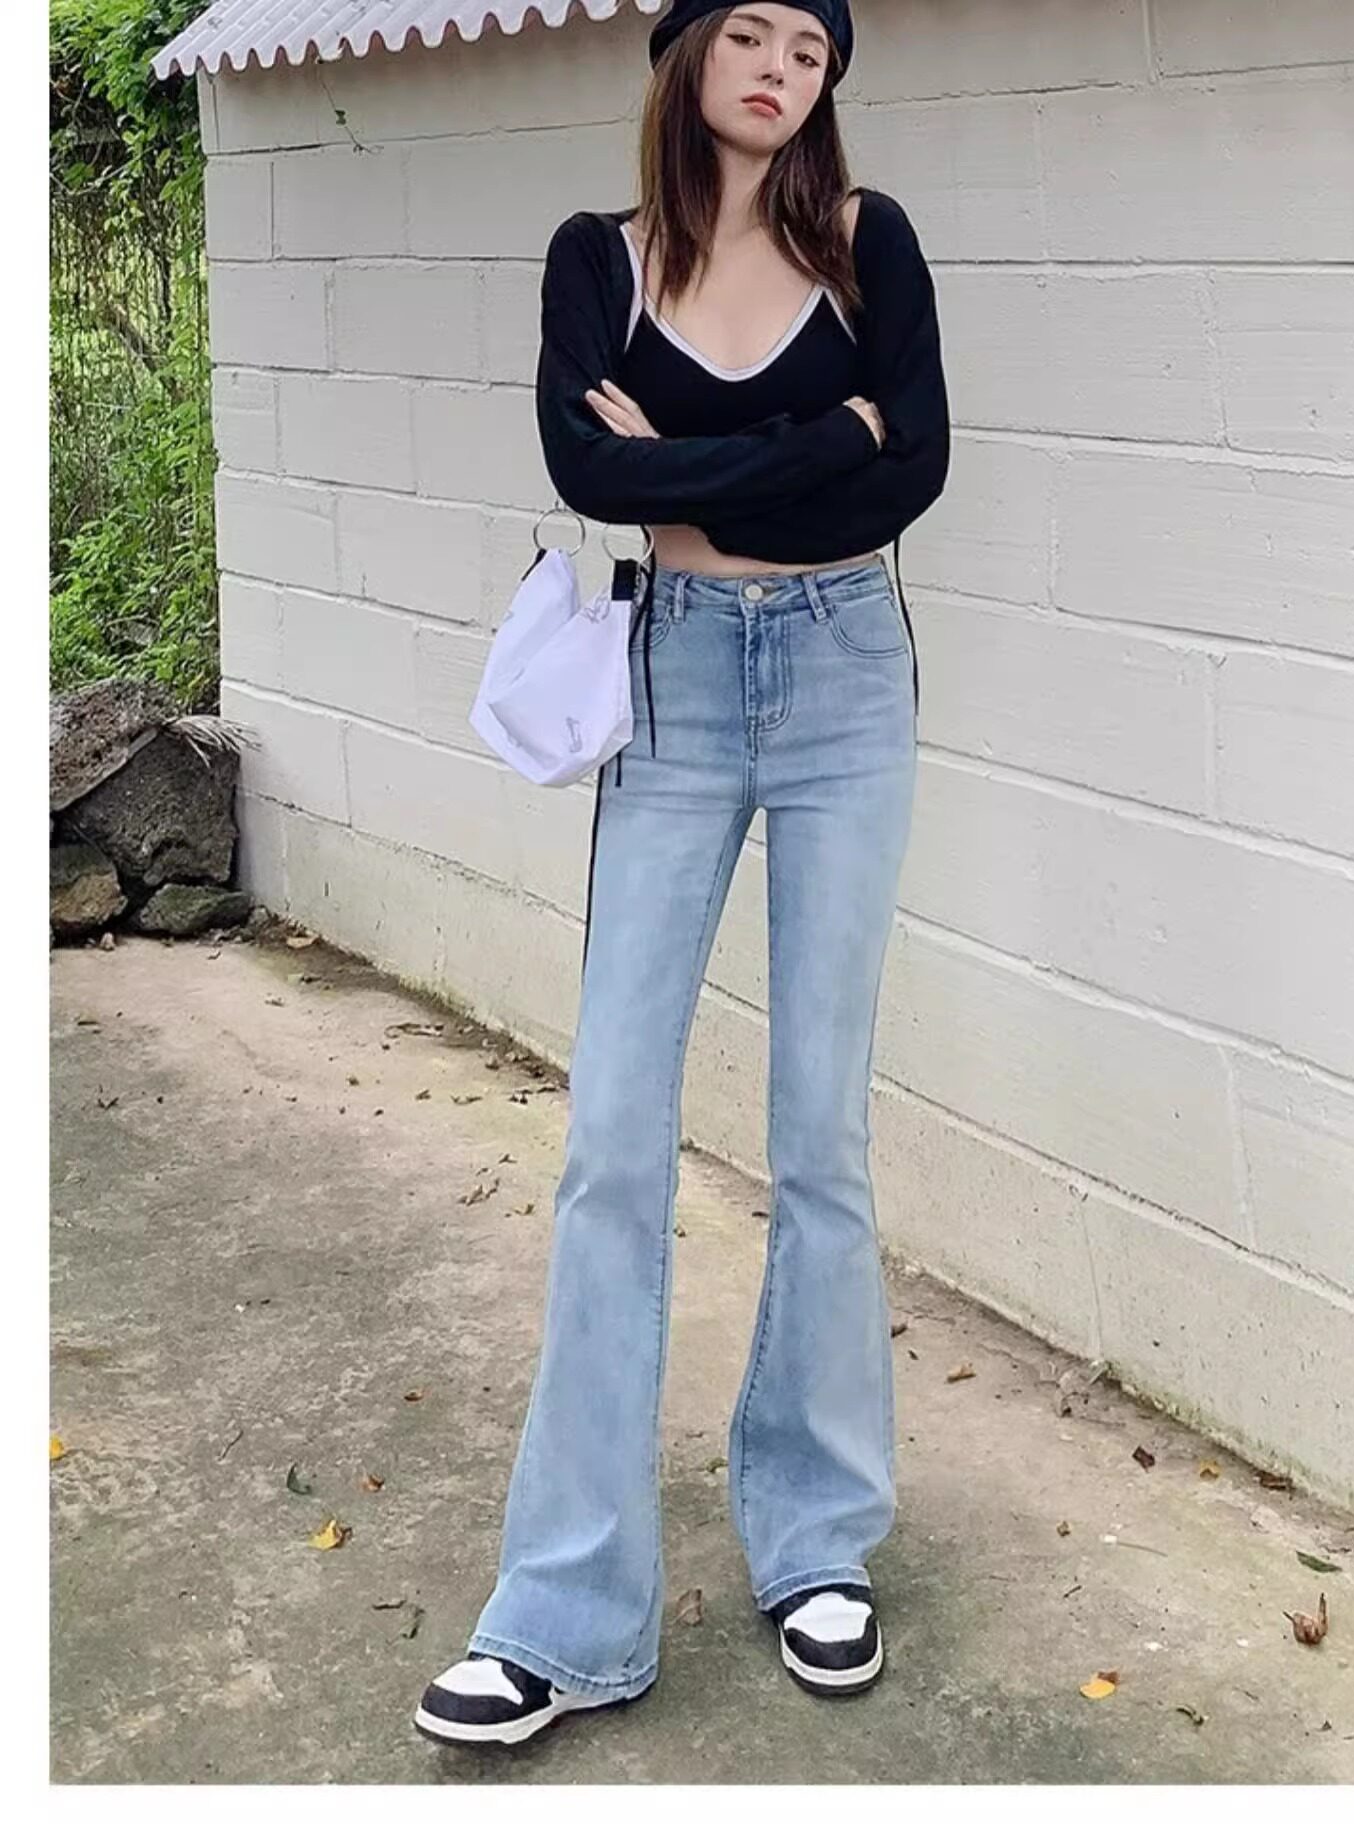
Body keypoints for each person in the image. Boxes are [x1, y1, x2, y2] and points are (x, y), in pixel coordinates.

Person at [415, 0, 950, 1749]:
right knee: (612, 1139)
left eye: (813, 48)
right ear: (688, 49)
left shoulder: (869, 243)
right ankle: (565, 1610)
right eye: (755, 32)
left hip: (849, 679)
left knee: (821, 1132)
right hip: (677, 683)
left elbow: (914, 471)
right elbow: (588, 472)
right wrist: (822, 442)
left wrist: (697, 469)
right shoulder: (599, 257)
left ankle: (816, 1538)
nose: (783, 66)